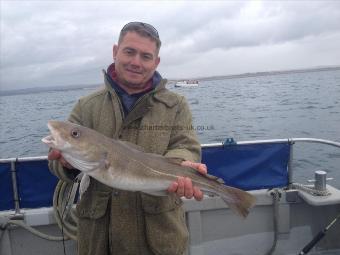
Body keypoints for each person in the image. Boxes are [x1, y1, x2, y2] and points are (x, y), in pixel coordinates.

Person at [48, 21, 207, 255]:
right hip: (99, 241)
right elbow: (57, 163)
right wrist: (65, 164)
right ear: (115, 52)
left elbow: (186, 146)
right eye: (129, 52)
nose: (136, 62)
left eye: (145, 56)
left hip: (159, 239)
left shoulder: (176, 106)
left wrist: (181, 164)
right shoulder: (87, 106)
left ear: (156, 62)